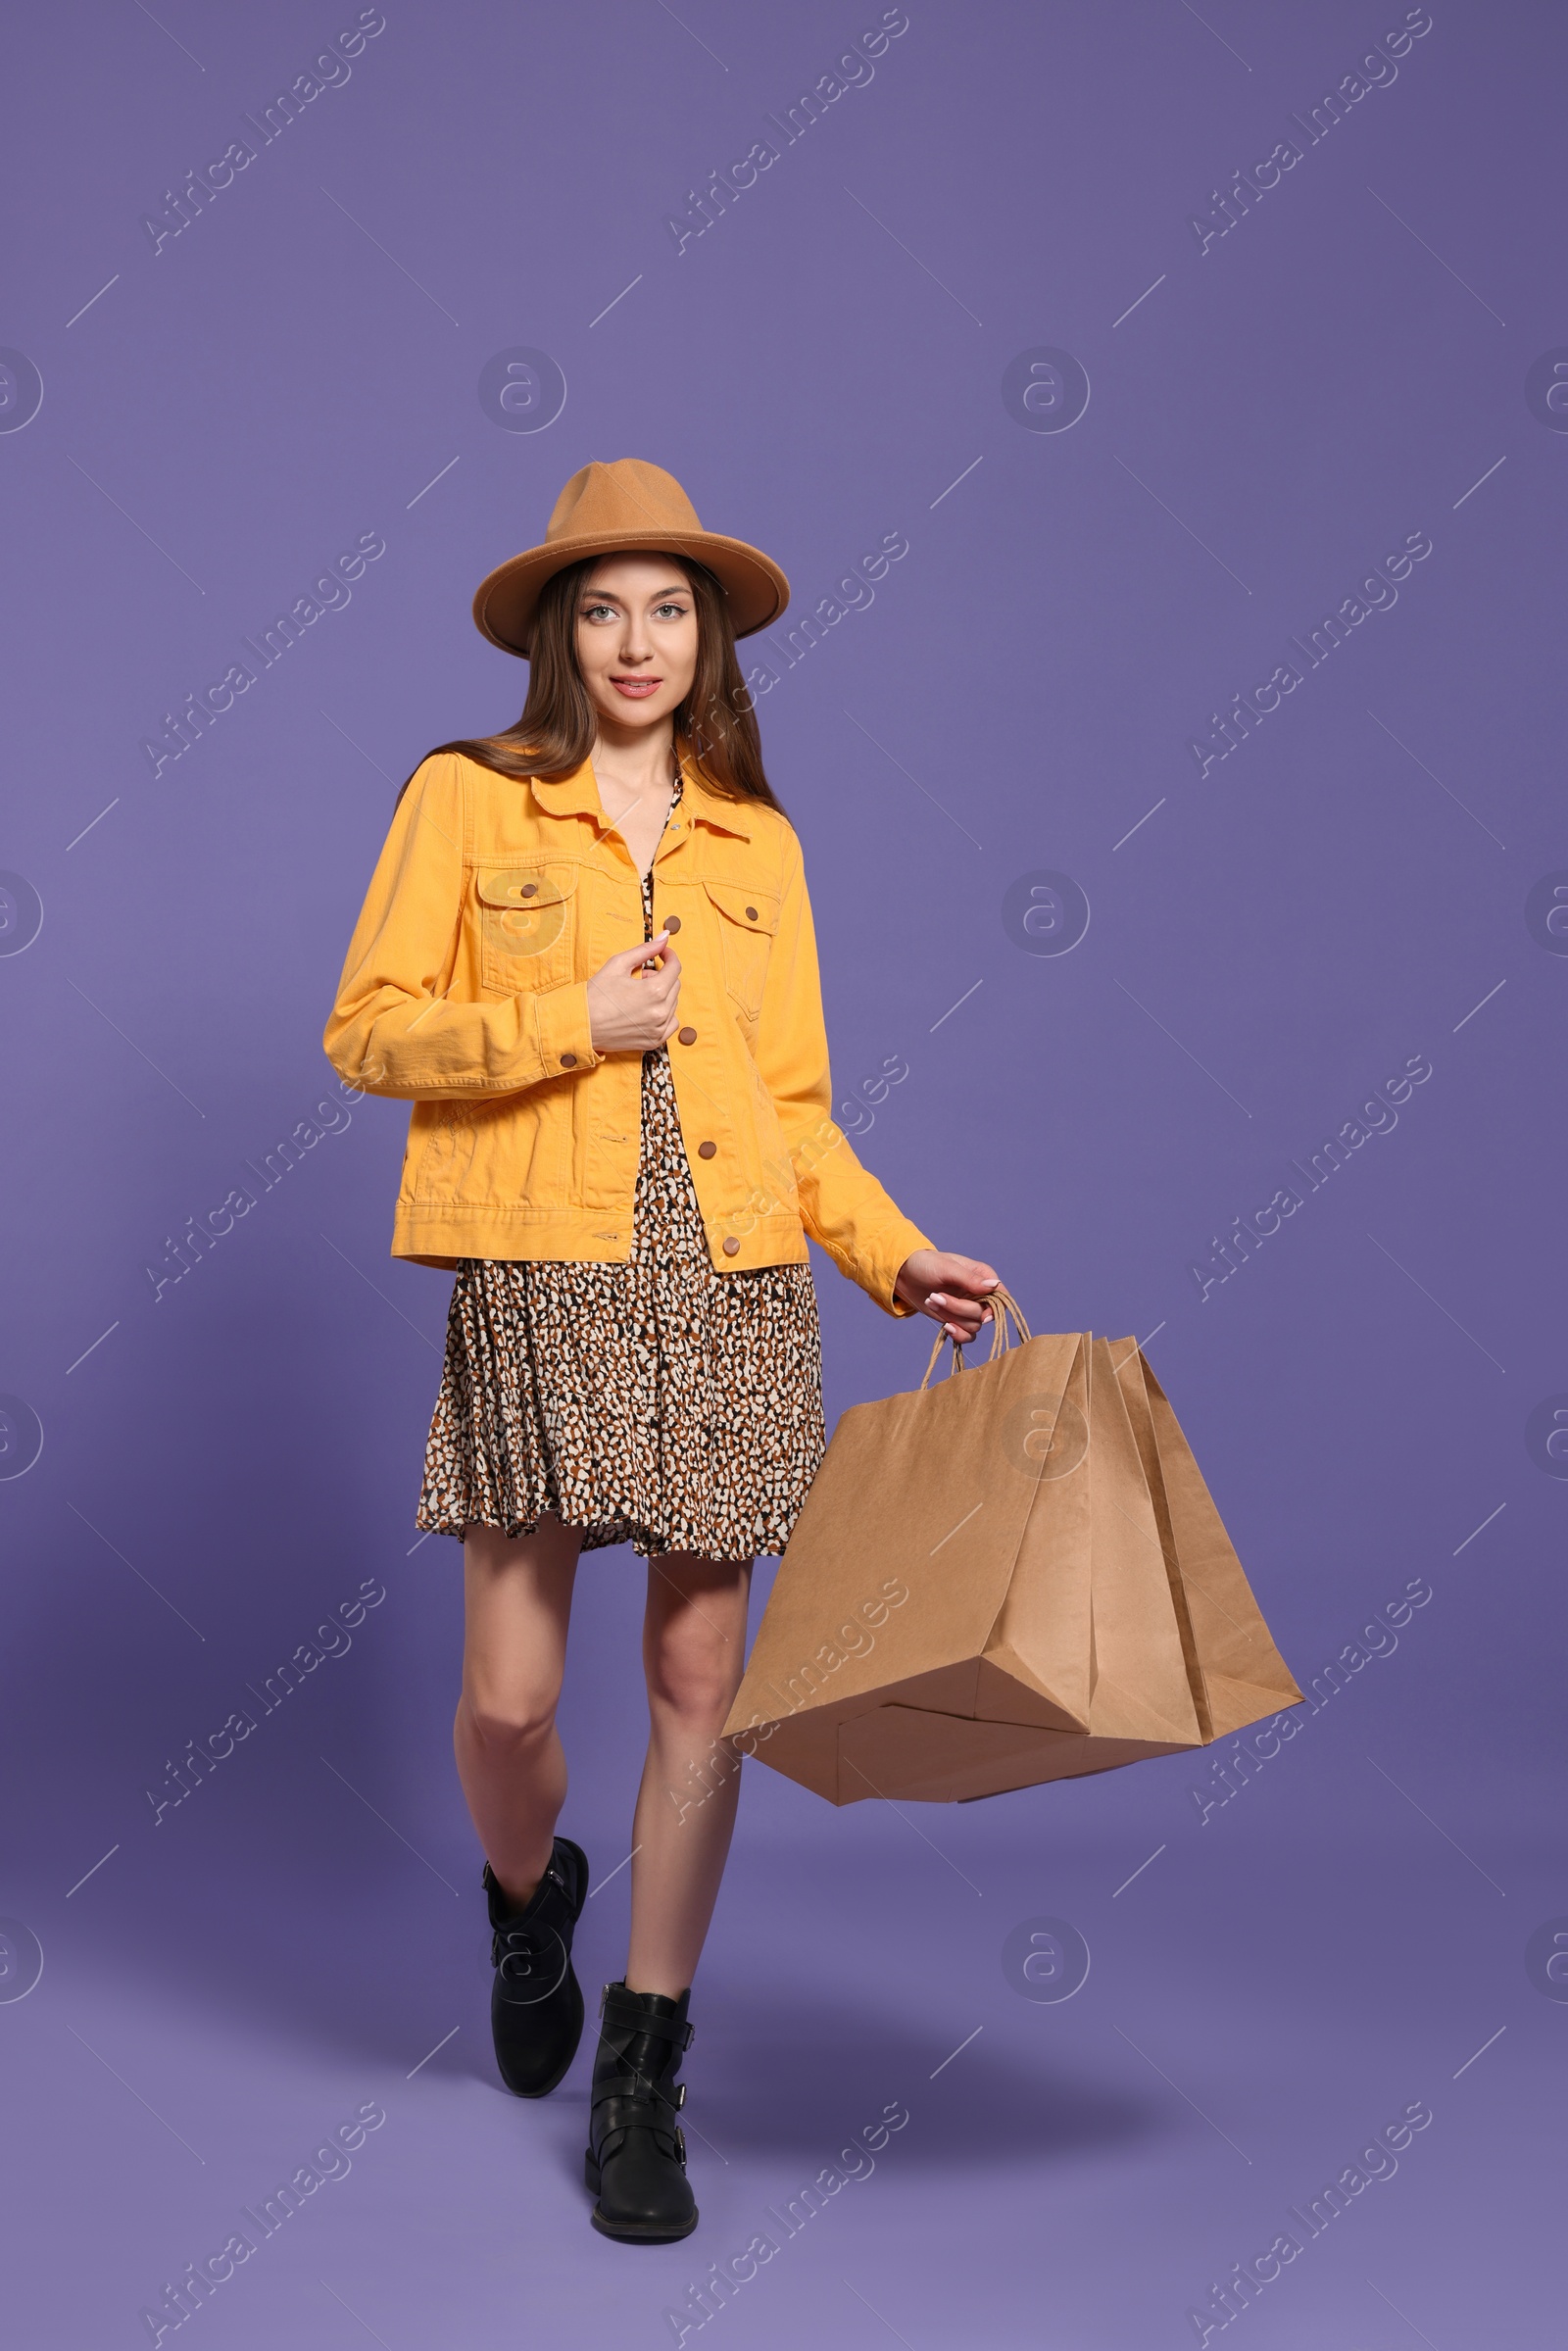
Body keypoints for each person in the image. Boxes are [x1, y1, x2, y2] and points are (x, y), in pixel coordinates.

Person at [321, 459, 999, 2243]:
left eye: (670, 607)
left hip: (731, 1288)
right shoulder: (467, 799)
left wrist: (896, 1254)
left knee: (704, 1691)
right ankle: (525, 1893)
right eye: (605, 607)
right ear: (562, 630)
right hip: (543, 1282)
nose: (638, 639)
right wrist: (574, 1019)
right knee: (512, 1703)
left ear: (711, 639)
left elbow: (796, 1111)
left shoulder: (755, 840)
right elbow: (368, 1032)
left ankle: (646, 2058)